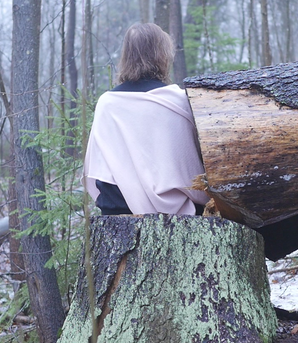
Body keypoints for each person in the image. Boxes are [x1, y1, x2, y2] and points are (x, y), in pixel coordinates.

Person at [83, 23, 209, 216]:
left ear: (126, 56)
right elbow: (192, 173)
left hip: (117, 208)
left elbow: (97, 173)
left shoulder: (107, 103)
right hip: (179, 212)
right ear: (163, 55)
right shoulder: (179, 100)